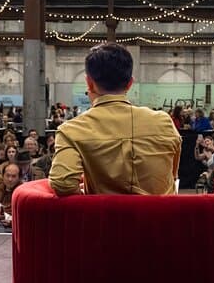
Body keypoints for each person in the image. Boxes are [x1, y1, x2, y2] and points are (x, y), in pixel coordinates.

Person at [49, 43, 181, 196]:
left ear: (89, 83)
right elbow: (171, 175)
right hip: (162, 219)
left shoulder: (71, 131)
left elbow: (62, 183)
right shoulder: (164, 122)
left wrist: (87, 201)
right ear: (130, 83)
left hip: (105, 219)